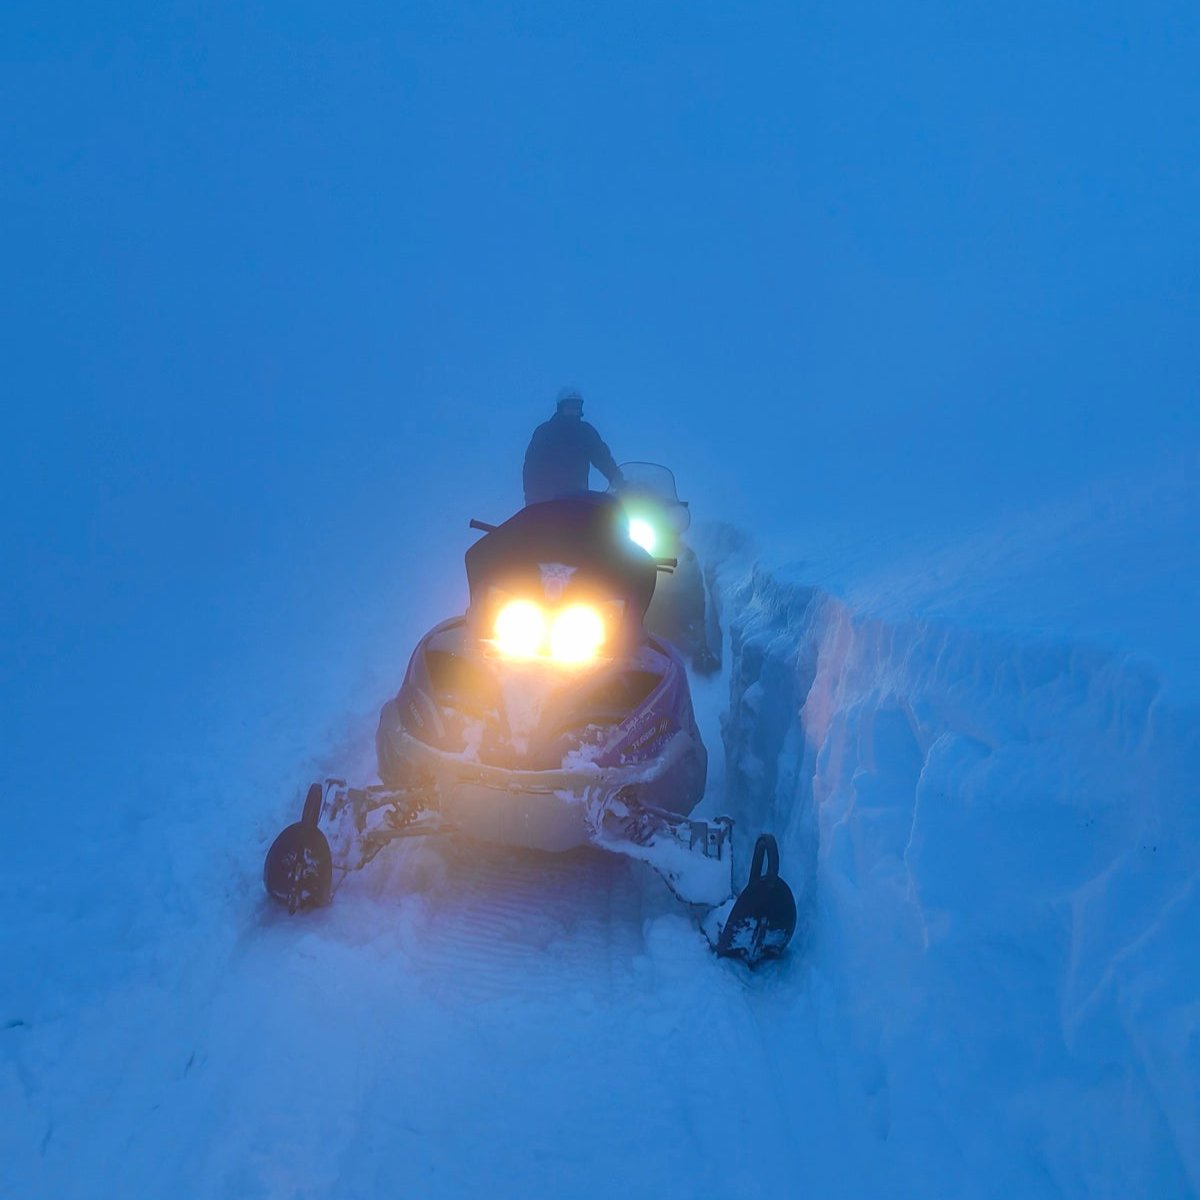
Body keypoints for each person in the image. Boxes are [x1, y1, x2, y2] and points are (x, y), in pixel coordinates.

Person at [522, 388, 624, 505]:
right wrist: (531, 497)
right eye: (569, 407)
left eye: (576, 407)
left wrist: (618, 481)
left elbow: (603, 458)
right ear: (560, 407)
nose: (573, 410)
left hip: (578, 498)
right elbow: (531, 465)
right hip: (547, 500)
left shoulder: (586, 432)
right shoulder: (545, 431)